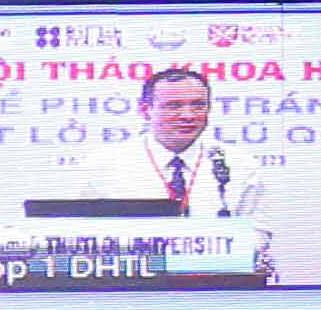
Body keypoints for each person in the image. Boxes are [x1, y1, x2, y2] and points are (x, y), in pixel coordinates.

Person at [59, 62, 257, 216]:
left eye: (198, 105)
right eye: (174, 106)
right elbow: (78, 229)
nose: (188, 115)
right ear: (146, 110)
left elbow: (259, 231)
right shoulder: (103, 164)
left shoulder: (239, 164)